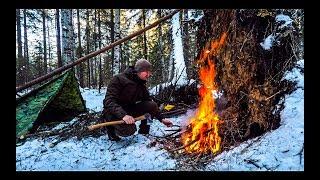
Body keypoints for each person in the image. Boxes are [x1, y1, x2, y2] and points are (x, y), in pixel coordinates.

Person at [102, 59, 173, 141]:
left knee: (152, 105)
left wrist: (162, 119)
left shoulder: (140, 83)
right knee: (128, 131)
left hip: (129, 109)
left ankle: (144, 132)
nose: (149, 74)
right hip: (114, 113)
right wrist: (123, 115)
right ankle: (111, 130)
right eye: (147, 71)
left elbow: (149, 102)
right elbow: (108, 101)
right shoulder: (118, 79)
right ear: (140, 70)